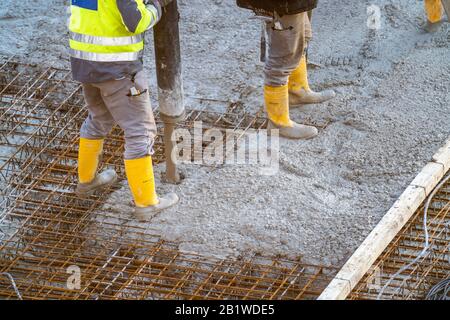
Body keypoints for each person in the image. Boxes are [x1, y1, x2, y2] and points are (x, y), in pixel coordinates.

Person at [69, 0, 179, 220]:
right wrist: (156, 6)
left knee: (98, 118)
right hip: (116, 67)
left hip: (85, 61)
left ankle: (87, 182)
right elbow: (136, 21)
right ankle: (146, 203)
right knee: (140, 131)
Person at [237, 0, 336, 139]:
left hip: (295, 3)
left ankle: (297, 92)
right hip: (283, 4)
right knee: (283, 58)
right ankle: (278, 123)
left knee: (301, 39)